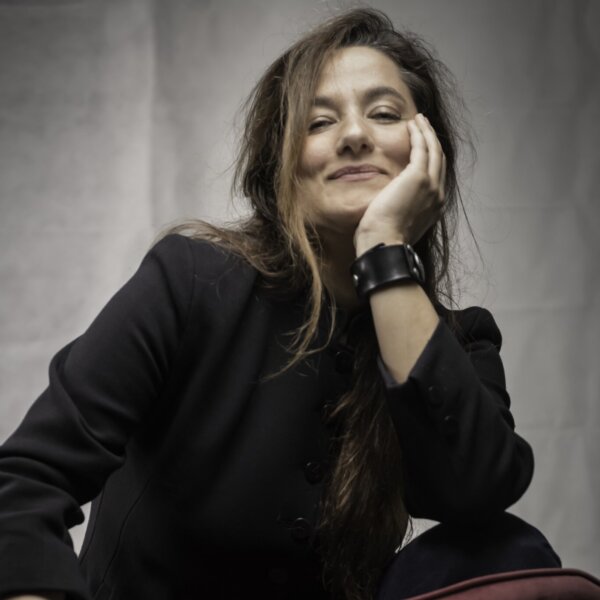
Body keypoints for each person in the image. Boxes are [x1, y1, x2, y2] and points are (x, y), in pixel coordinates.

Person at [0, 8, 560, 600]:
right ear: (281, 170)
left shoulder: (461, 342)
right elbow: (24, 487)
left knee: (510, 549)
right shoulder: (192, 284)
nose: (354, 135)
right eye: (319, 122)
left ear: (428, 154)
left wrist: (384, 253)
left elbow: (474, 494)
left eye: (384, 113)